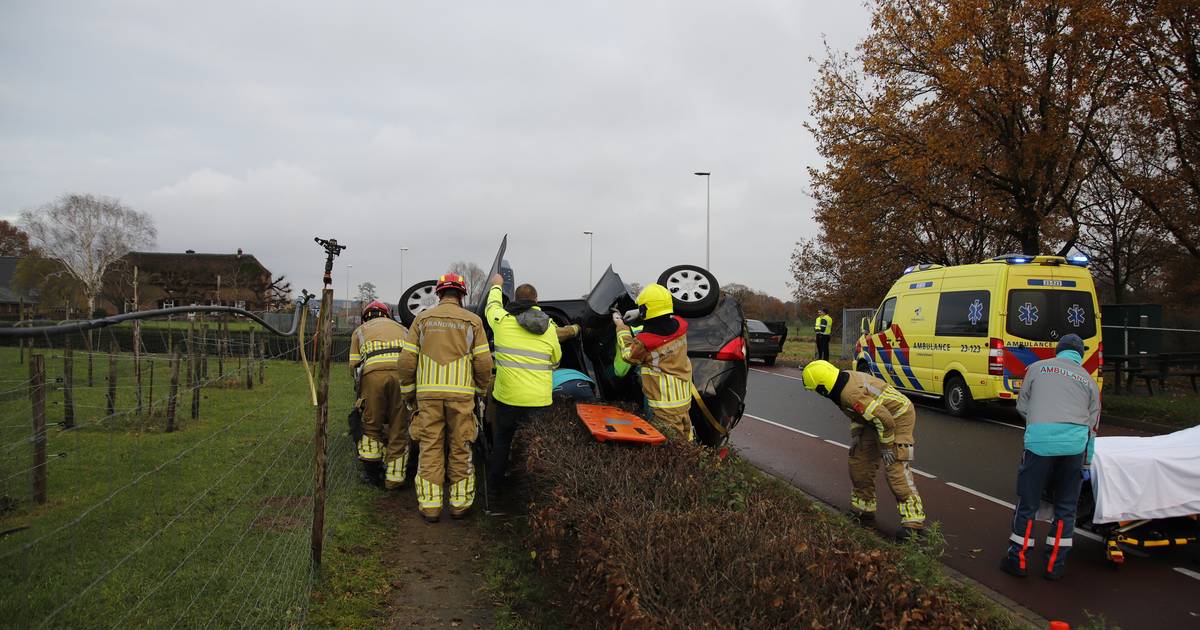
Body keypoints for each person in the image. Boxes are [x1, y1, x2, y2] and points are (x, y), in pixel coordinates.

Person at [1000, 333, 1100, 581]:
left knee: (1028, 503)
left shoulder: (1036, 368)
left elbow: (1022, 407)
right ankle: (1054, 565)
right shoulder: (1088, 380)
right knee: (1066, 507)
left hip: (1039, 444)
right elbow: (1093, 424)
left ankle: (1018, 560)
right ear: (1080, 354)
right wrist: (1086, 461)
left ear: (1058, 350)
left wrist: (1040, 420)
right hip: (1074, 446)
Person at [397, 273, 493, 522]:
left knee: (430, 447)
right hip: (462, 397)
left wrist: (408, 392)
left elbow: (407, 360)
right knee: (461, 446)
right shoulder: (473, 321)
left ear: (438, 294)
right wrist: (480, 392)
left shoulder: (422, 319)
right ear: (462, 295)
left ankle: (430, 507)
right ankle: (460, 505)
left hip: (428, 397)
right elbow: (483, 362)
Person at [801, 359, 925, 539]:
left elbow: (885, 420)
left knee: (895, 469)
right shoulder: (841, 385)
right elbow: (859, 415)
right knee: (859, 462)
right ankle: (863, 511)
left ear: (822, 388)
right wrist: (857, 436)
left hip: (898, 416)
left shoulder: (850, 394)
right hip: (875, 419)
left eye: (816, 391)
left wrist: (886, 447)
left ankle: (914, 525)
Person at [484, 275, 563, 501]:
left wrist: (497, 285)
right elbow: (556, 359)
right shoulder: (549, 328)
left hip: (508, 398)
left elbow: (492, 306)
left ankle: (495, 490)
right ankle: (533, 494)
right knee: (535, 445)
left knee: (502, 441)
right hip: (538, 401)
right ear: (537, 300)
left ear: (516, 299)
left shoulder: (500, 321)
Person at [613, 284, 694, 441]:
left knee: (671, 448)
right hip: (683, 399)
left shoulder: (646, 342)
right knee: (686, 441)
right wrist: (640, 312)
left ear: (646, 309)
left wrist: (621, 327)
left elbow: (628, 354)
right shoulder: (680, 325)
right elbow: (666, 316)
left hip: (664, 406)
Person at [348, 300, 409, 489]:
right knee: (399, 426)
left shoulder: (359, 331)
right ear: (387, 314)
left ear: (365, 316)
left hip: (373, 375)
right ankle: (395, 479)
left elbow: (353, 365)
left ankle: (373, 475)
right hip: (401, 374)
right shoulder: (403, 329)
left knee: (371, 424)